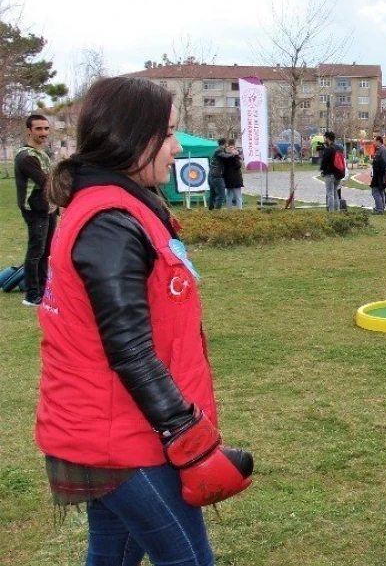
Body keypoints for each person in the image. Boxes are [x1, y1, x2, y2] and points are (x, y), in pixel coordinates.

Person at [35, 76, 253, 565]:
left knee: (112, 556)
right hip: (124, 438)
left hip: (119, 429)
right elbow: (129, 350)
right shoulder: (109, 221)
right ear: (134, 137)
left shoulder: (123, 206)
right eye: (170, 133)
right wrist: (191, 440)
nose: (177, 147)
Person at [14, 114, 57, 307]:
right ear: (29, 131)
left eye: (46, 129)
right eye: (39, 129)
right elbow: (45, 181)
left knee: (46, 250)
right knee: (36, 251)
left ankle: (43, 288)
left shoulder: (43, 153)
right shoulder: (26, 156)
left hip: (48, 207)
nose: (43, 133)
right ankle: (32, 295)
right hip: (35, 209)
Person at [319, 131, 345, 212]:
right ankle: (337, 211)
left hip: (330, 174)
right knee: (335, 194)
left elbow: (324, 162)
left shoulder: (328, 149)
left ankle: (331, 212)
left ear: (327, 138)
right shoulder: (339, 148)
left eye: (325, 138)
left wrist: (322, 170)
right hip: (338, 174)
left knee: (330, 194)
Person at [206, 138, 229, 210]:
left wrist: (227, 151)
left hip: (211, 175)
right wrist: (232, 153)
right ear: (225, 143)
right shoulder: (219, 150)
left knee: (213, 194)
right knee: (221, 194)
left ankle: (211, 210)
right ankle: (216, 211)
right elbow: (225, 156)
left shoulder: (218, 150)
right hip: (217, 176)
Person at [221, 140, 244, 209]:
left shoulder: (225, 153)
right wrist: (238, 158)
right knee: (238, 196)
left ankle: (229, 211)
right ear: (234, 144)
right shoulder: (235, 155)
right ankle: (240, 210)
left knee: (229, 196)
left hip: (227, 177)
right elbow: (238, 165)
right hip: (236, 178)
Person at [370, 137, 386, 214]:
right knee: (380, 190)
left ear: (378, 141)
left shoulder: (383, 150)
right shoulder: (380, 149)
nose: (374, 143)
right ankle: (381, 207)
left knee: (375, 191)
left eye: (374, 141)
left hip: (379, 174)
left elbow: (383, 163)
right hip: (379, 174)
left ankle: (379, 209)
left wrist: (373, 162)